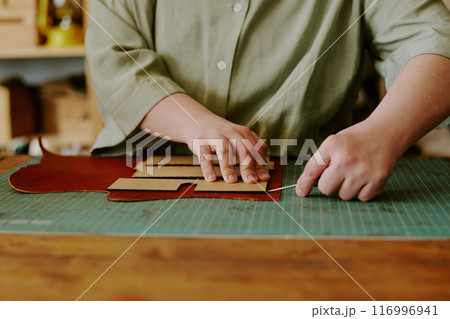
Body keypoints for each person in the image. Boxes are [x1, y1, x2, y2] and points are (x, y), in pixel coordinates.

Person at [85, 0, 450, 201]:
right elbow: (114, 57)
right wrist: (194, 123)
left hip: (307, 183)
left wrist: (383, 133)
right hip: (141, 171)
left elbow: (435, 43)